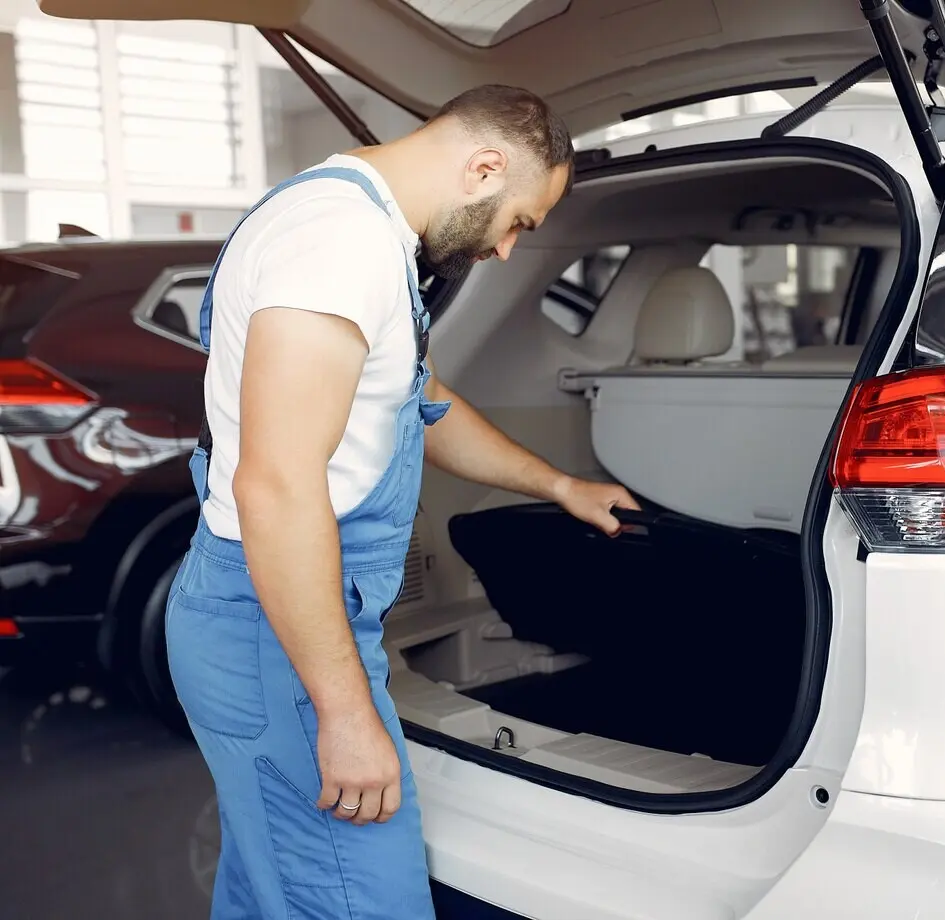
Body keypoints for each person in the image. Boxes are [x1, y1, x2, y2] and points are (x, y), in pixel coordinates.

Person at [164, 84, 639, 920]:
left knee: (272, 885)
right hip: (273, 630)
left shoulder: (352, 228)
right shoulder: (337, 244)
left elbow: (413, 401)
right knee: (353, 900)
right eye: (521, 220)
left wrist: (561, 484)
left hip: (269, 617)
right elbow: (276, 488)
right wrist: (345, 718)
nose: (503, 250)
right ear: (484, 167)